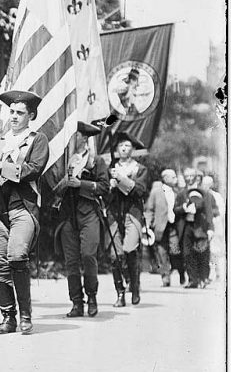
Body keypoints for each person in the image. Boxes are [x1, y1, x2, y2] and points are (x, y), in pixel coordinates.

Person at [0, 89, 49, 335]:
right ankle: (8, 316)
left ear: (31, 115)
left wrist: (3, 166)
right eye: (12, 112)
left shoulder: (37, 139)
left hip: (23, 206)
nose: (15, 117)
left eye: (21, 113)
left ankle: (26, 315)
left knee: (17, 255)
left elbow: (34, 168)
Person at [51, 121, 109, 318]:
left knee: (88, 254)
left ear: (83, 138)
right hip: (68, 214)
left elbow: (104, 187)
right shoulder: (64, 161)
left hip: (88, 212)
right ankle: (77, 302)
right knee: (71, 261)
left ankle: (91, 296)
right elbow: (54, 190)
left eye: (74, 135)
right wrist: (65, 183)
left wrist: (81, 183)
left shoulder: (95, 161)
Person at [105, 131, 149, 307]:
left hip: (133, 213)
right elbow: (104, 192)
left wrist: (122, 180)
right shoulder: (110, 168)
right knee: (116, 255)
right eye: (121, 146)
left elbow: (140, 190)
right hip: (114, 214)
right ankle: (120, 293)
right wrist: (110, 185)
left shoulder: (140, 169)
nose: (124, 149)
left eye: (128, 146)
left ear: (133, 149)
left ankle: (135, 286)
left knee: (130, 250)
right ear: (116, 148)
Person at [174, 168, 215, 289]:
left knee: (202, 252)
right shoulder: (181, 193)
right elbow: (175, 210)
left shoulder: (204, 193)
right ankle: (193, 279)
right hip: (186, 226)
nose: (189, 178)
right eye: (186, 176)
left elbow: (209, 211)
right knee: (187, 253)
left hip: (200, 226)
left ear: (196, 176)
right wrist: (183, 208)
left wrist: (210, 228)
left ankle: (203, 278)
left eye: (191, 175)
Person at [144, 169, 179, 287]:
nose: (176, 179)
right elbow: (150, 209)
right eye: (173, 177)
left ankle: (180, 272)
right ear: (165, 178)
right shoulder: (156, 192)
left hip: (174, 225)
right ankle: (165, 277)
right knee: (161, 252)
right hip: (160, 226)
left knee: (175, 249)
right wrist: (148, 224)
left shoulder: (177, 192)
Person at [201, 175, 224, 282]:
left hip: (215, 224)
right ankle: (211, 273)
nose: (204, 185)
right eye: (203, 183)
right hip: (205, 225)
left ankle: (218, 272)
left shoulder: (216, 196)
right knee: (208, 250)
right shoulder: (202, 195)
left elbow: (220, 212)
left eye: (206, 184)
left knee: (215, 250)